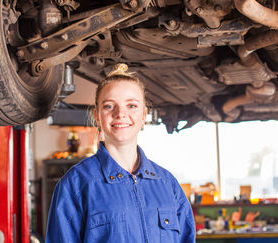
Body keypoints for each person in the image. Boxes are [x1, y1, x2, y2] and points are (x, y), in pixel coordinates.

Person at [45, 63, 196, 243]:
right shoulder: (76, 184)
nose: (120, 113)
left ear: (143, 116)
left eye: (131, 105)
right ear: (97, 117)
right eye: (109, 106)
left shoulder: (167, 184)